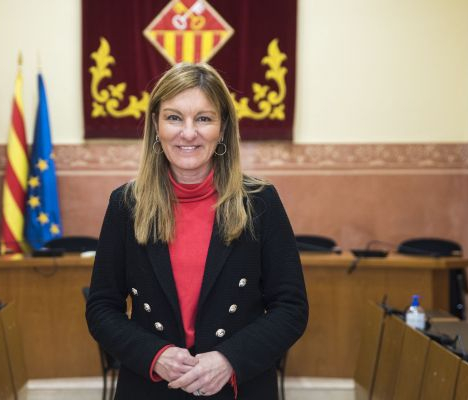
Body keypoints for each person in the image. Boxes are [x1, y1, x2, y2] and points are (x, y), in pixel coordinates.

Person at [86, 63, 308, 399]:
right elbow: (102, 307)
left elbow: (291, 308)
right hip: (152, 385)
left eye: (203, 118)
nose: (188, 133)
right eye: (174, 117)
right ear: (156, 127)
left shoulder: (260, 202)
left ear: (222, 128)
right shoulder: (125, 204)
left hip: (237, 386)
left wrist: (229, 360)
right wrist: (154, 355)